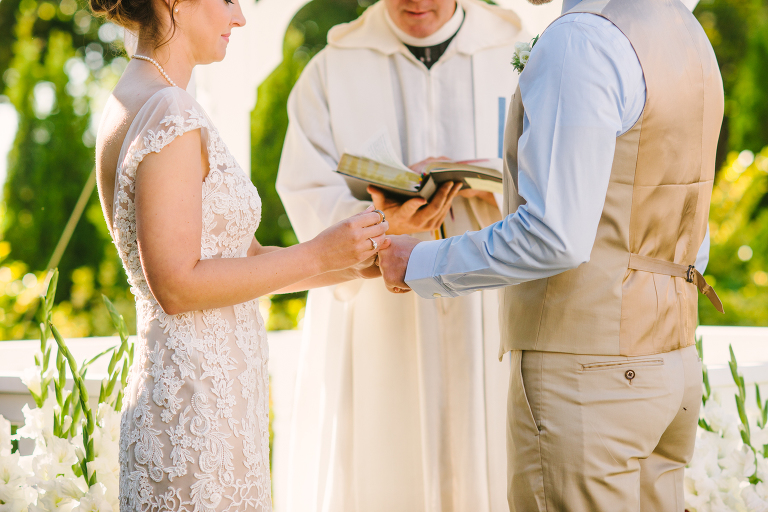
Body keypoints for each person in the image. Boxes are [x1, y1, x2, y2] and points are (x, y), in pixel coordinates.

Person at [379, 0, 723, 510]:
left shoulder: (583, 40)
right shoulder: (685, 29)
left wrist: (420, 262)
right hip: (670, 365)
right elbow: (694, 233)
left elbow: (555, 236)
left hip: (590, 378)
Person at [88, 0, 390, 509]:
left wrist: (359, 258)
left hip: (216, 408)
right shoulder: (168, 110)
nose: (241, 18)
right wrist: (318, 254)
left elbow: (248, 260)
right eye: (229, 0)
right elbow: (178, 284)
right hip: (196, 416)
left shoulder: (138, 99)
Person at [275, 0, 528, 510]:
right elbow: (304, 189)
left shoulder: (516, 52)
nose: (417, 3)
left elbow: (561, 179)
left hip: (487, 288)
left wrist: (496, 189)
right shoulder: (334, 66)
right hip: (377, 302)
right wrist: (385, 221)